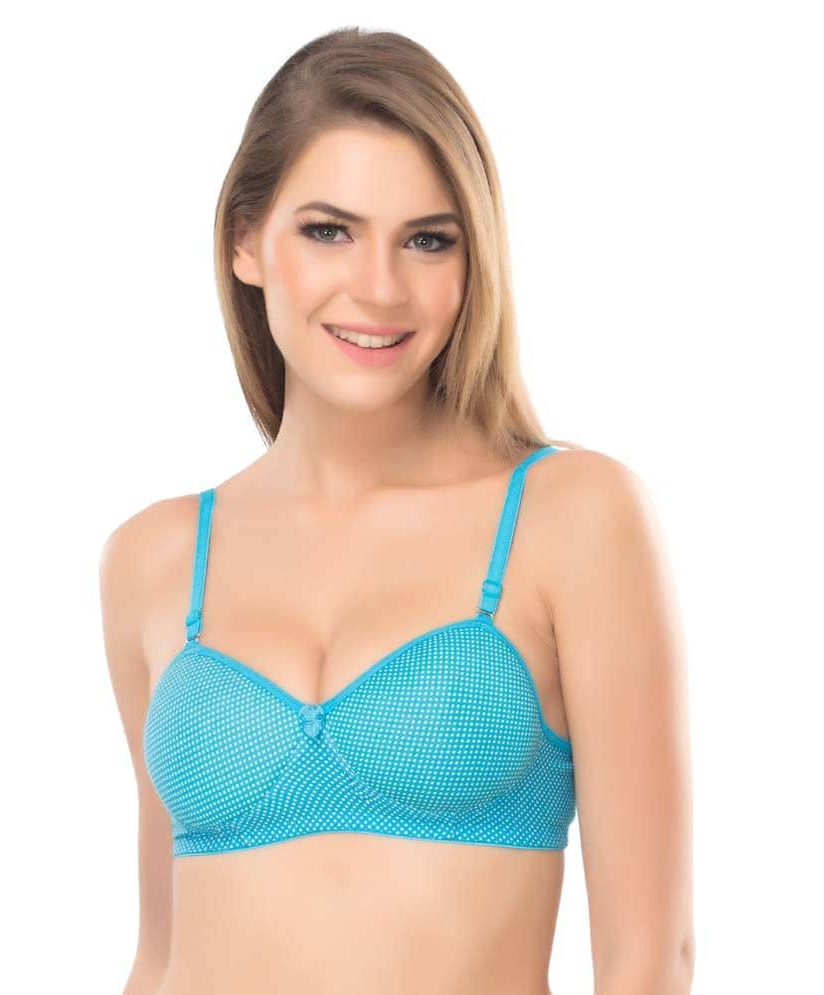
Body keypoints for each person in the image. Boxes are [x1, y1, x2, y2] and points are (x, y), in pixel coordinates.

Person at [100, 26, 694, 995]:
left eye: (427, 239)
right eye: (328, 230)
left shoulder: (572, 518)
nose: (378, 287)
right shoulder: (155, 558)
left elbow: (648, 959)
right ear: (245, 242)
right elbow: (159, 953)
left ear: (473, 259)